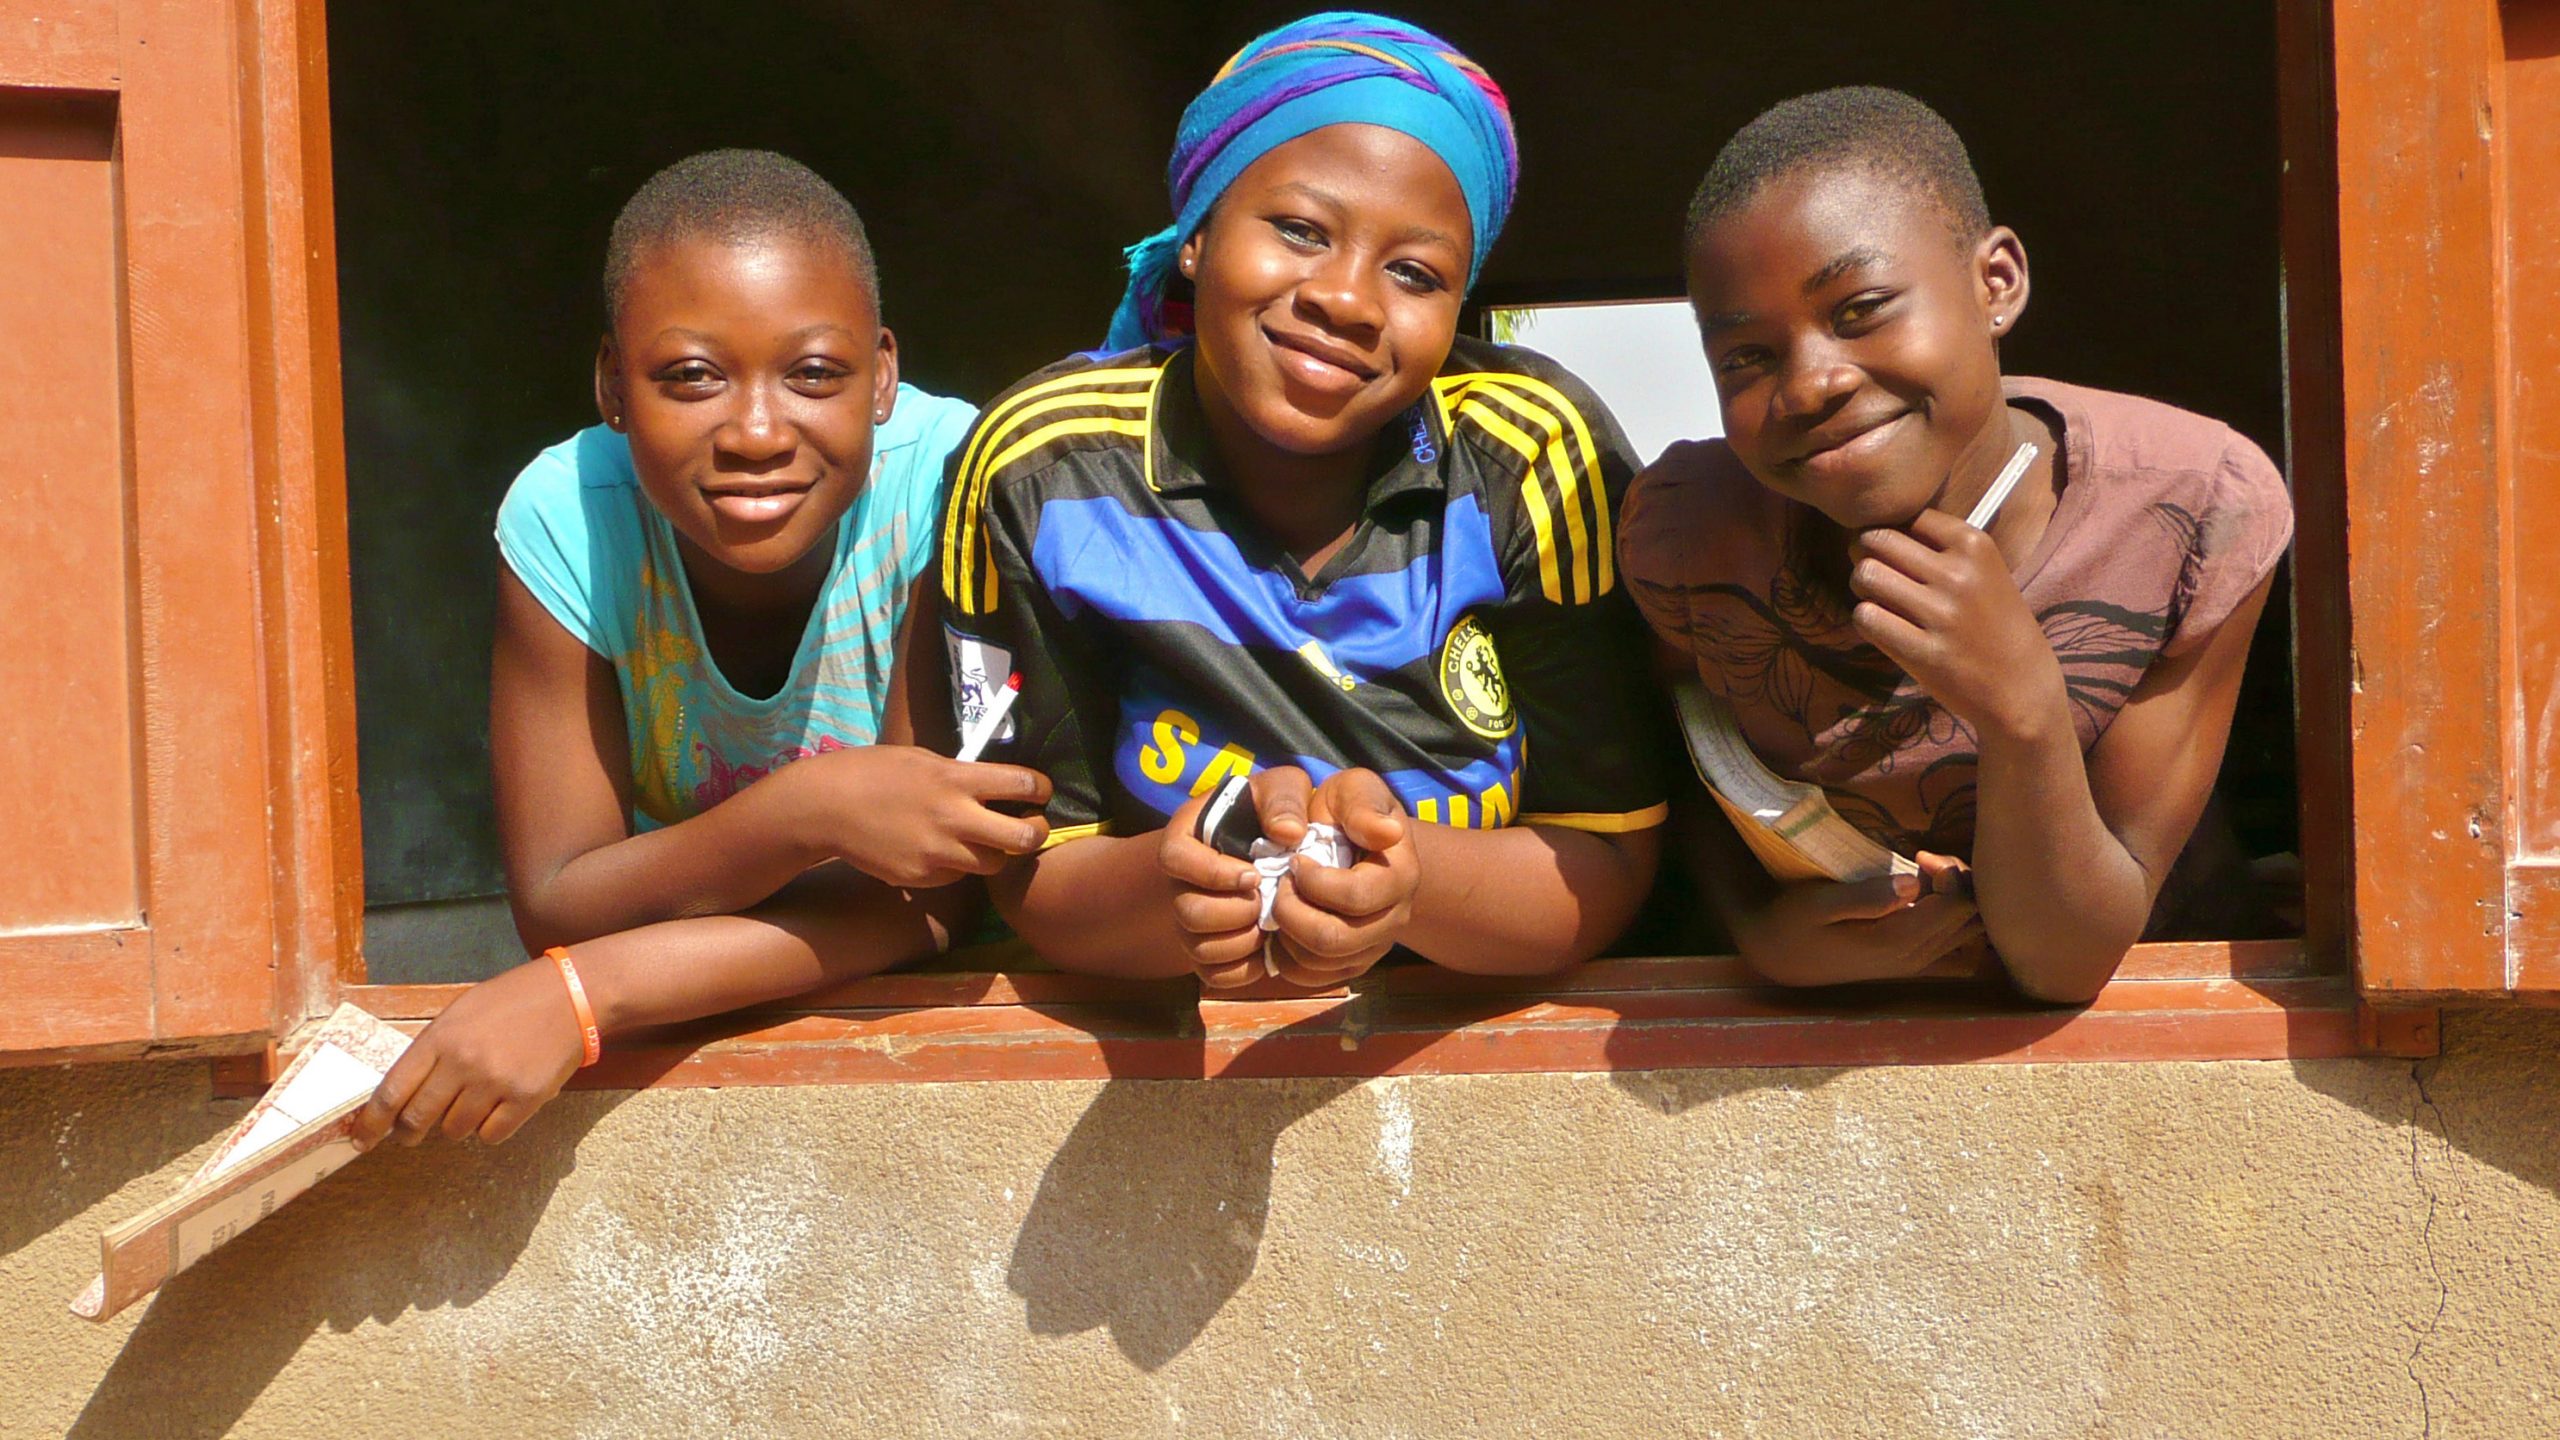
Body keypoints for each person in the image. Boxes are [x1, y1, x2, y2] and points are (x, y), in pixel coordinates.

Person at [940, 13, 1666, 989]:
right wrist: (1177, 891)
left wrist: (1409, 886)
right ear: (1194, 237)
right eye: (1299, 230)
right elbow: (1035, 864)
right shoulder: (1040, 472)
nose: (1349, 300)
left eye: (1414, 272)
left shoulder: (1529, 462)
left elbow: (1608, 853)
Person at [356, 150, 1050, 1148]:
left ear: (884, 376)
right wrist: (812, 814)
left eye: (814, 374)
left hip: (943, 1051)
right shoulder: (570, 520)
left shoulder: (949, 493)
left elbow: (924, 905)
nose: (757, 432)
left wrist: (590, 993)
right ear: (611, 384)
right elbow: (558, 897)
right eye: (691, 377)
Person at [1619, 87, 2293, 1003]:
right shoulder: (1687, 529)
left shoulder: (2194, 511)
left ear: (1997, 283)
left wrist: (2020, 706)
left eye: (1860, 309)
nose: (1811, 382)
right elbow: (1680, 756)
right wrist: (1761, 937)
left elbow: (2068, 960)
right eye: (1748, 357)